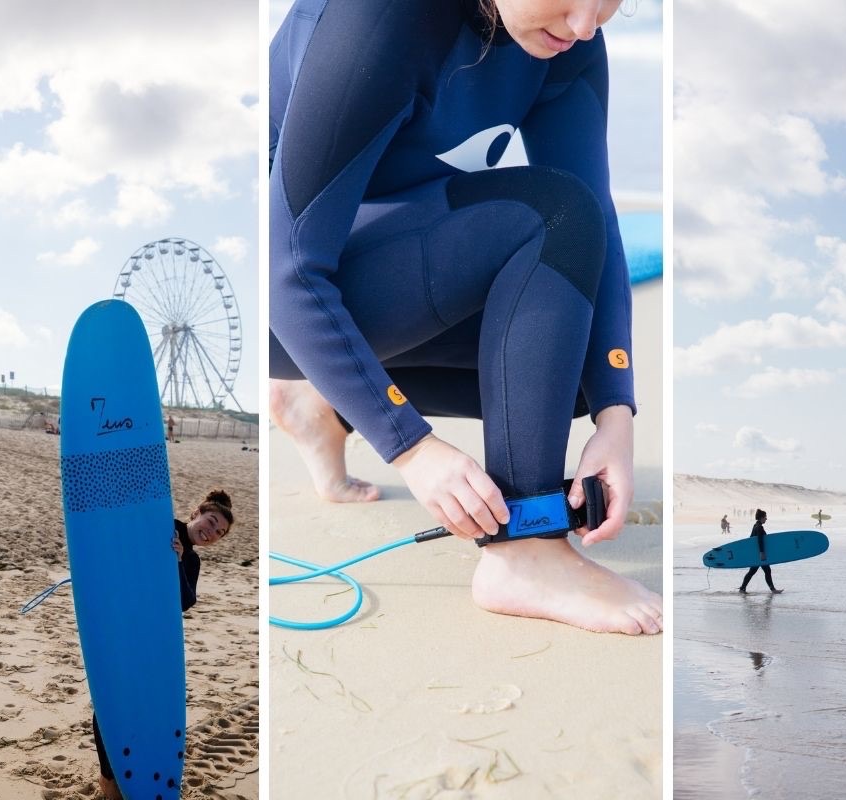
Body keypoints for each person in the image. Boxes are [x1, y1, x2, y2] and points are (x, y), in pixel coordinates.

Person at [269, 0, 661, 635]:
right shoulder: (376, 17)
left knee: (561, 360)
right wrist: (410, 446)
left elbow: (600, 218)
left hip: (385, 259)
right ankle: (524, 554)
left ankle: (328, 403)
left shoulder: (567, 37)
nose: (588, 23)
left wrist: (617, 413)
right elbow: (287, 270)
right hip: (285, 287)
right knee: (551, 216)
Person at [93, 488, 234, 800]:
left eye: (219, 532)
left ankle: (125, 772)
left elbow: (184, 601)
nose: (211, 532)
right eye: (210, 522)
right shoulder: (162, 522)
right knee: (111, 699)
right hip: (120, 620)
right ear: (196, 513)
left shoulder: (192, 561)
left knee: (141, 701)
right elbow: (125, 547)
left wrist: (179, 561)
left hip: (154, 636)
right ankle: (107, 778)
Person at [739, 508, 782, 594]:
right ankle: (773, 590)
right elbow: (759, 540)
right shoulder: (759, 527)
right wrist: (761, 553)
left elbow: (751, 539)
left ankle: (742, 588)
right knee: (765, 571)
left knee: (753, 571)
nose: (766, 518)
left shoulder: (756, 526)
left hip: (756, 554)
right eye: (765, 517)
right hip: (759, 554)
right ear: (761, 517)